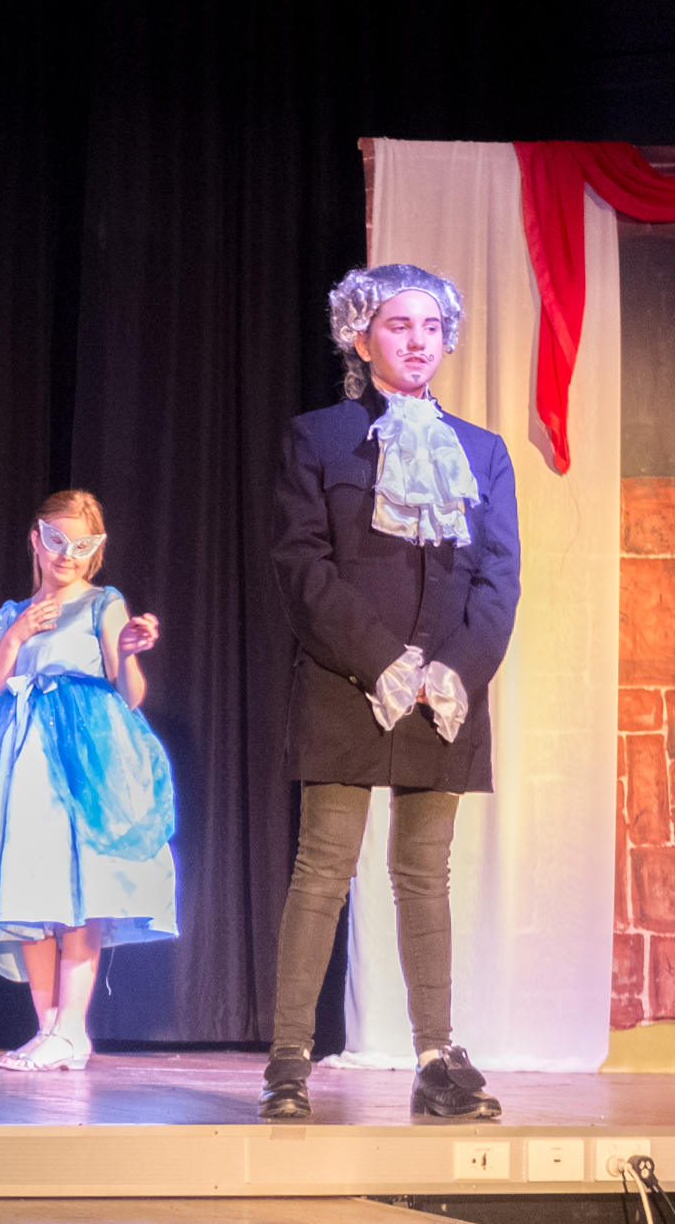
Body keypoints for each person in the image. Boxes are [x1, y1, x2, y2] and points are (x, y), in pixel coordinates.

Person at [261, 264, 520, 1120]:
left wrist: (452, 671)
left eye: (431, 327)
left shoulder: (483, 451)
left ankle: (435, 1061)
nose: (417, 341)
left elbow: (498, 579)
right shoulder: (319, 437)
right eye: (399, 325)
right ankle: (289, 1063)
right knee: (323, 868)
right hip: (348, 678)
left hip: (444, 690)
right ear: (359, 336)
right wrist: (380, 661)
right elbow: (303, 565)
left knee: (424, 874)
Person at [0, 490, 176, 1071]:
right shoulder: (14, 613)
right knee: (29, 887)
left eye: (80, 545)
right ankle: (48, 1028)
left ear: (95, 550)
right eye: (55, 541)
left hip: (84, 756)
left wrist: (127, 652)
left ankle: (72, 1028)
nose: (66, 555)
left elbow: (131, 694)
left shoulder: (103, 603)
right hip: (25, 758)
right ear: (35, 540)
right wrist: (13, 639)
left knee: (79, 885)